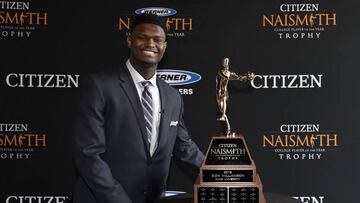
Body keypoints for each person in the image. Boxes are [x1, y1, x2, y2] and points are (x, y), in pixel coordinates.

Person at [71, 14, 204, 203]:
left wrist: (224, 174)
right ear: (129, 41)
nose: (150, 43)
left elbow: (184, 147)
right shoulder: (99, 86)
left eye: (157, 39)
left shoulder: (173, 97)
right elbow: (88, 154)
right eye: (142, 37)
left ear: (164, 46)